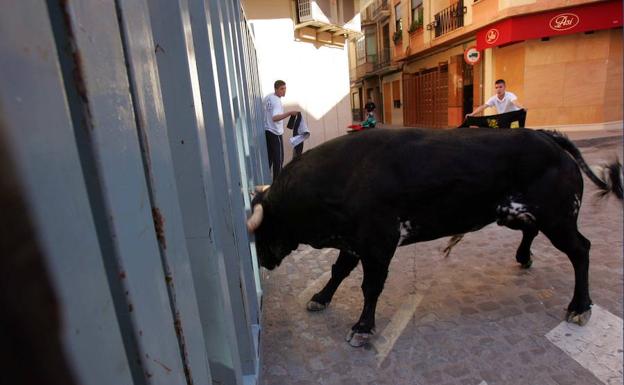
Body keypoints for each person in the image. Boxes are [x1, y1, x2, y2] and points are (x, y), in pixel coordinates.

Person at [263, 80, 298, 181]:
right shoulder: (276, 101)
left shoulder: (268, 97)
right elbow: (275, 118)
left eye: (285, 88)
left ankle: (266, 180)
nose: (284, 91)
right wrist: (290, 113)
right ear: (276, 89)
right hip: (275, 132)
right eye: (282, 89)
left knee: (270, 158)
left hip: (267, 131)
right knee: (279, 159)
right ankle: (276, 183)